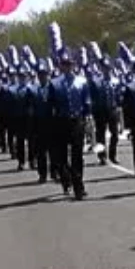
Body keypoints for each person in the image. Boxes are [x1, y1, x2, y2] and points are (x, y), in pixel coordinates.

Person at [48, 42, 91, 200]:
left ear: (74, 65)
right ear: (60, 66)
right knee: (61, 157)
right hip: (60, 122)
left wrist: (87, 118)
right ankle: (66, 180)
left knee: (77, 155)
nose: (67, 67)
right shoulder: (54, 83)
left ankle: (79, 186)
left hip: (76, 121)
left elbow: (86, 101)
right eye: (64, 64)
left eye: (69, 64)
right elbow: (50, 105)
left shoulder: (81, 81)